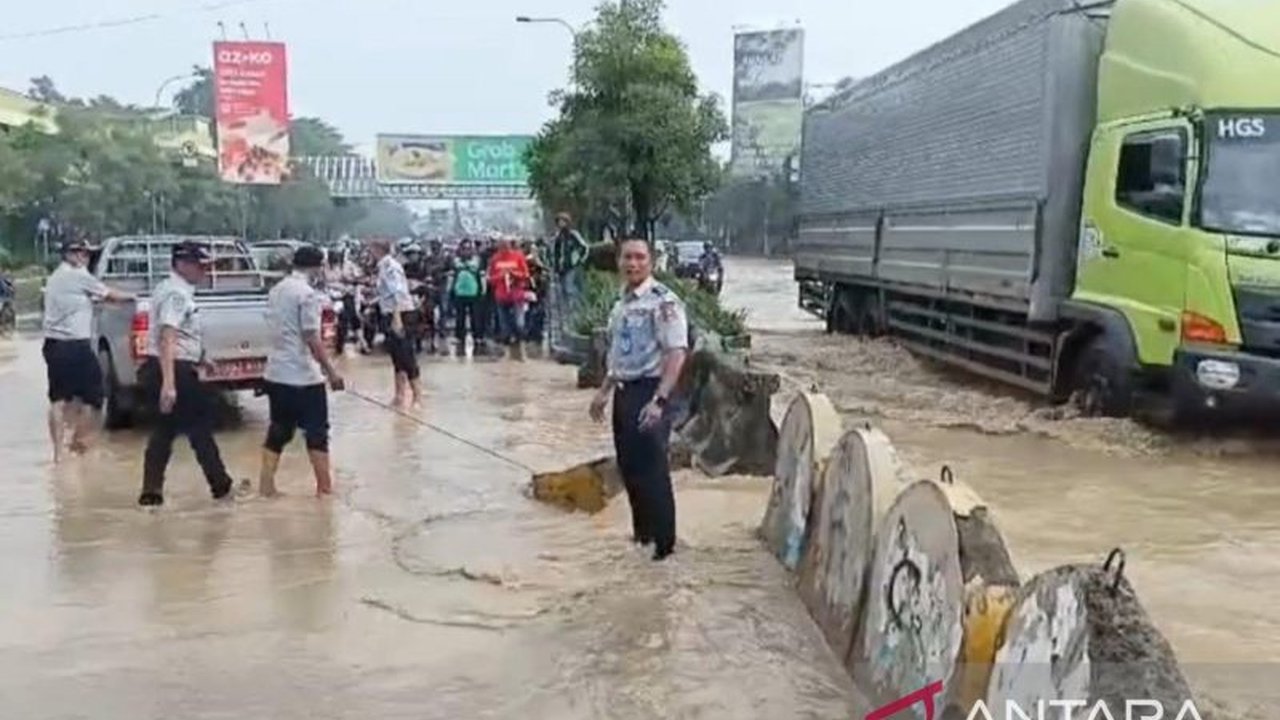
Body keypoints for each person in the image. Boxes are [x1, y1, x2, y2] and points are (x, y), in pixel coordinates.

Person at [588, 238, 689, 562]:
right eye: (627, 257)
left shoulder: (663, 302)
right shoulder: (621, 304)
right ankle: (642, 540)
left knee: (653, 471)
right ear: (618, 262)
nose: (633, 263)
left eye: (640, 257)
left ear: (651, 262)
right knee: (630, 469)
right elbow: (619, 354)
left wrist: (659, 400)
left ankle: (664, 550)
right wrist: (603, 391)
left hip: (652, 391)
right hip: (624, 392)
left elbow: (676, 353)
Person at [138, 241, 242, 507]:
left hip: (169, 366)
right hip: (175, 369)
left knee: (164, 431)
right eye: (200, 266)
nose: (204, 271)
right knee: (200, 430)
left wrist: (202, 359)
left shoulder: (169, 288)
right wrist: (169, 384)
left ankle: (151, 494)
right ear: (181, 264)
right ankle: (222, 488)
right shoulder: (176, 294)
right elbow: (168, 336)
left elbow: (180, 335)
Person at [258, 246, 346, 498]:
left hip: (276, 373)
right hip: (303, 376)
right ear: (317, 267)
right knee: (317, 432)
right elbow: (311, 337)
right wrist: (331, 372)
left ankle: (266, 486)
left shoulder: (277, 290)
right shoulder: (307, 294)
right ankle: (325, 490)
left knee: (279, 430)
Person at [41, 238, 134, 461]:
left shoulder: (56, 277)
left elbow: (89, 300)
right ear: (69, 255)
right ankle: (78, 443)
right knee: (96, 398)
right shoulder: (78, 276)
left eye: (87, 254)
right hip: (75, 345)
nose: (85, 258)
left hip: (54, 344)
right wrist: (135, 297)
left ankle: (58, 455)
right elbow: (110, 294)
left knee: (59, 400)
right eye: (81, 253)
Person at [371, 237, 421, 408]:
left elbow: (397, 293)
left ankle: (417, 397)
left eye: (372, 249)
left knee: (406, 356)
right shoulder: (382, 266)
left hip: (401, 314)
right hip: (389, 313)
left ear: (378, 250)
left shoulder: (390, 267)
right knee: (396, 357)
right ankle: (399, 395)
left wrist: (397, 318)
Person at [487, 236, 532, 360]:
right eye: (501, 245)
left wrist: (514, 274)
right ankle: (507, 352)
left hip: (517, 295)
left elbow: (526, 274)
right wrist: (500, 276)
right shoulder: (495, 259)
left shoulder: (518, 256)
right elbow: (490, 279)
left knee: (519, 323)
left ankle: (521, 348)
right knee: (504, 325)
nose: (504, 247)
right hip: (501, 296)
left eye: (506, 245)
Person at [450, 238, 485, 356]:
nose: (466, 251)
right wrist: (450, 290)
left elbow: (482, 277)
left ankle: (478, 336)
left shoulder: (477, 261)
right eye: (464, 248)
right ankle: (459, 337)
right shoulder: (455, 262)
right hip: (459, 292)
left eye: (468, 249)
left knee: (476, 317)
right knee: (460, 317)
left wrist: (483, 291)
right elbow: (452, 277)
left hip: (474, 293)